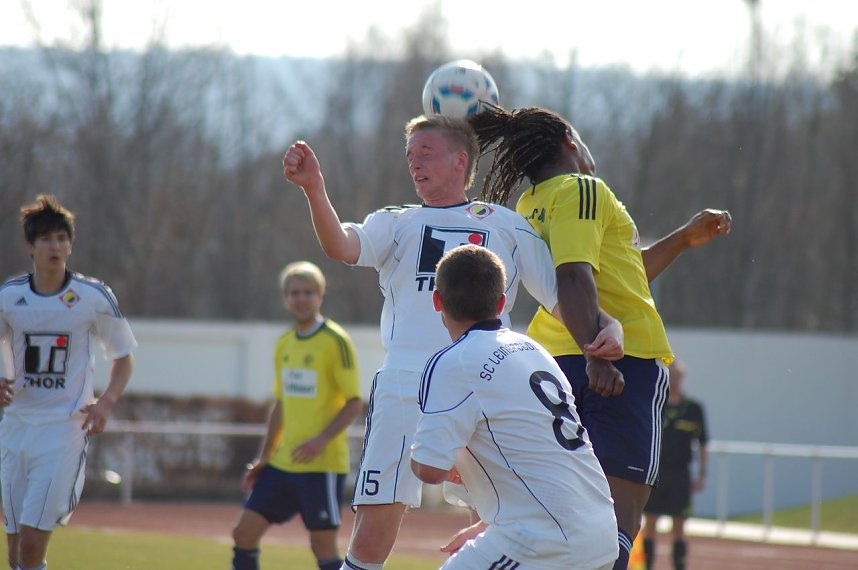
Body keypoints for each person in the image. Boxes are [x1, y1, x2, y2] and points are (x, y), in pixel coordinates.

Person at [282, 114, 622, 570]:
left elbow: (563, 300)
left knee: (498, 517)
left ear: (461, 161)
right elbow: (341, 245)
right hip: (406, 383)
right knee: (370, 539)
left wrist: (607, 326)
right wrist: (314, 188)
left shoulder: (507, 225)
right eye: (410, 156)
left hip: (482, 384)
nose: (414, 164)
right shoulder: (395, 222)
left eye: (425, 153)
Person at [469, 105, 731, 570]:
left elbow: (617, 276)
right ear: (569, 141)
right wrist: (597, 354)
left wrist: (682, 240)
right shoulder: (584, 188)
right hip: (619, 361)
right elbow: (573, 276)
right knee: (617, 519)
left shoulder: (531, 204)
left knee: (566, 514)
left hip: (553, 363)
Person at [411, 244, 618, 570]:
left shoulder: (453, 361)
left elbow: (429, 470)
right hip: (600, 532)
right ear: (501, 302)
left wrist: (438, 454)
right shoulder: (535, 350)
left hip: (545, 542)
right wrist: (485, 525)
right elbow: (537, 454)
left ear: (437, 300)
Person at [0, 194, 137, 570]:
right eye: (46, 239)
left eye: (62, 238)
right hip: (15, 429)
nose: (55, 246)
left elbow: (124, 356)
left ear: (71, 245)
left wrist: (107, 401)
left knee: (31, 546)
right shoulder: (10, 297)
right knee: (14, 550)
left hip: (63, 431)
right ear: (30, 246)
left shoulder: (93, 297)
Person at [231, 261, 364, 570]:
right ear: (285, 298)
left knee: (323, 549)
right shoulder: (284, 343)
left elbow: (354, 402)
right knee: (243, 533)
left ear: (320, 296)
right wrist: (264, 456)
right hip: (282, 464)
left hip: (321, 466)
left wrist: (321, 440)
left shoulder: (336, 341)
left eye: (308, 292)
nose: (301, 298)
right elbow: (281, 404)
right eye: (295, 293)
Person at [641, 359, 709, 570]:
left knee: (679, 526)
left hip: (680, 474)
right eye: (671, 376)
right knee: (650, 523)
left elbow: (703, 444)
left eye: (678, 377)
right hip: (655, 473)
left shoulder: (694, 408)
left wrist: (702, 474)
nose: (674, 381)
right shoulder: (654, 404)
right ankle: (647, 566)